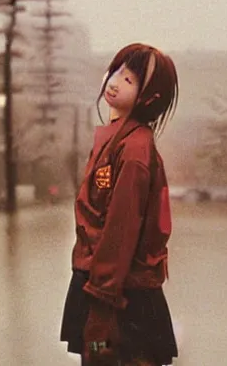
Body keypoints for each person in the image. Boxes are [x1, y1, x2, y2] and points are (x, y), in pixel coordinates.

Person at [60, 43, 179, 366]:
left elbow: (120, 229)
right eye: (116, 72)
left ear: (149, 98)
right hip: (104, 288)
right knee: (98, 356)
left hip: (120, 300)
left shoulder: (134, 151)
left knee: (107, 355)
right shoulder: (116, 140)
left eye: (128, 80)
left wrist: (101, 308)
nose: (114, 82)